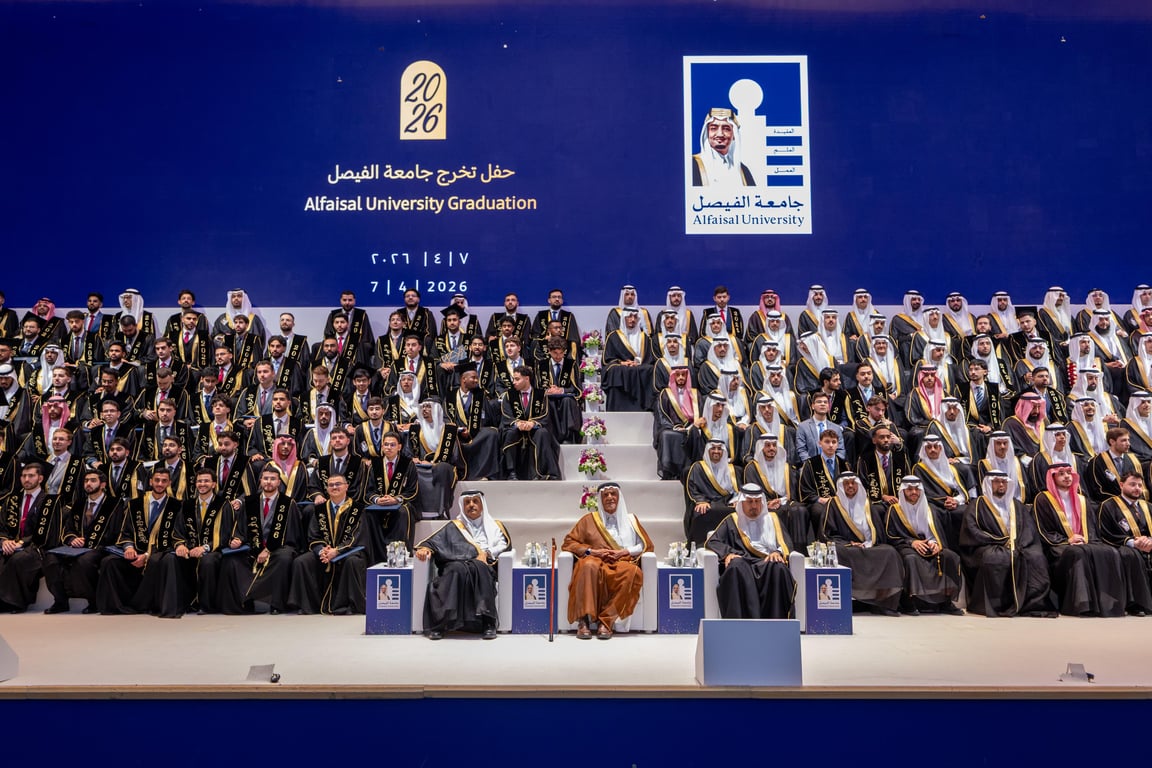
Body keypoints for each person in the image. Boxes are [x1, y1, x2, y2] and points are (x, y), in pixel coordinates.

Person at [1032, 463, 1130, 616]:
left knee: (1110, 551)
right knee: (1078, 553)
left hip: (1084, 543)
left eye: (1069, 473)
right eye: (1061, 473)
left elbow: (1091, 528)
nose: (1067, 476)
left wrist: (1086, 540)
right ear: (1053, 477)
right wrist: (1068, 540)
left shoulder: (1082, 500)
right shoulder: (1043, 499)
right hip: (1057, 546)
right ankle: (1082, 604)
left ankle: (1110, 605)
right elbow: (1044, 530)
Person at [960, 470, 1058, 617]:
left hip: (1017, 545)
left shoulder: (1017, 505)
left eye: (1004, 482)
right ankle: (999, 604)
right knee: (995, 558)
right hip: (987, 545)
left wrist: (1018, 544)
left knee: (1036, 557)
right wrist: (1000, 541)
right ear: (988, 484)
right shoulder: (977, 505)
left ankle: (1032, 604)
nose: (1001, 485)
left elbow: (1028, 529)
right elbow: (972, 530)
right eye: (997, 482)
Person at [562, 483, 654, 639]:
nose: (610, 498)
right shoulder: (588, 520)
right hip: (595, 560)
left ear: (619, 497)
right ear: (600, 499)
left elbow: (644, 545)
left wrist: (624, 551)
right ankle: (583, 620)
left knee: (633, 573)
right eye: (606, 495)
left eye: (613, 494)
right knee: (587, 565)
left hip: (621, 561)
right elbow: (569, 542)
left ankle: (606, 621)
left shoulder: (631, 520)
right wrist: (592, 551)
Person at [414, 490, 510, 640]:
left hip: (482, 564)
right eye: (467, 502)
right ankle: (440, 625)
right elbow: (433, 542)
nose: (471, 505)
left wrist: (487, 553)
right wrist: (425, 549)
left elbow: (503, 545)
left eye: (475, 501)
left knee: (480, 567)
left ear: (482, 505)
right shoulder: (455, 526)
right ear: (462, 506)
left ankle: (488, 623)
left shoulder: (495, 526)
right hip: (456, 565)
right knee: (455, 570)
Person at [95, 466, 188, 617]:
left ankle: (148, 604)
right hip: (136, 550)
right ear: (150, 481)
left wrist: (146, 555)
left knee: (157, 561)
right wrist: (129, 547)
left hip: (160, 550)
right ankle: (116, 606)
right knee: (109, 562)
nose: (160, 484)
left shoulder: (176, 506)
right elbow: (126, 531)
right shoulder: (135, 504)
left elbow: (177, 534)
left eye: (164, 481)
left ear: (169, 483)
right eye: (157, 480)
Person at [705, 484, 796, 619]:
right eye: (750, 502)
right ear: (742, 502)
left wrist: (778, 552)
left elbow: (786, 543)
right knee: (735, 566)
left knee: (779, 568)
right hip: (743, 563)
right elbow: (713, 541)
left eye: (757, 501)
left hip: (767, 563)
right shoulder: (732, 520)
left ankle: (778, 623)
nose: (754, 506)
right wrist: (728, 553)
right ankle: (738, 624)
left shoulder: (773, 519)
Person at [819, 472, 904, 615]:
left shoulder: (866, 503)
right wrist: (849, 543)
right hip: (846, 546)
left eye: (853, 483)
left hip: (867, 545)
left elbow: (877, 529)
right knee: (838, 552)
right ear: (841, 486)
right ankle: (845, 602)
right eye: (846, 483)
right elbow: (826, 534)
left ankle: (883, 603)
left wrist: (868, 542)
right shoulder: (833, 504)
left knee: (890, 552)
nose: (850, 486)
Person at [41, 468, 121, 614]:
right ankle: (60, 601)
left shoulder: (114, 504)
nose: (88, 484)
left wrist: (87, 541)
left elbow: (114, 531)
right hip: (76, 547)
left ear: (103, 484)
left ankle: (93, 601)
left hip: (100, 546)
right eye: (86, 481)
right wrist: (72, 539)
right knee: (50, 558)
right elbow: (68, 528)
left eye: (93, 480)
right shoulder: (79, 503)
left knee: (84, 561)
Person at [224, 465, 300, 615]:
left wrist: (268, 549)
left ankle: (276, 604)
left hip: (279, 548)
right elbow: (241, 528)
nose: (268, 482)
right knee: (231, 560)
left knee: (284, 558)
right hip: (253, 547)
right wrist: (237, 539)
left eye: (273, 479)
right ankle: (244, 604)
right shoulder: (250, 502)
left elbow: (292, 534)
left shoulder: (288, 503)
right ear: (260, 481)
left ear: (279, 482)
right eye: (265, 478)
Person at [288, 473, 367, 615]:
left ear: (346, 487)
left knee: (353, 562)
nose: (334, 487)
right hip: (325, 553)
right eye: (331, 485)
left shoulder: (357, 509)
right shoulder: (319, 509)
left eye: (338, 484)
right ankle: (309, 605)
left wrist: (337, 551)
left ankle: (350, 605)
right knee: (301, 561)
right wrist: (322, 551)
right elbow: (313, 536)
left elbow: (357, 538)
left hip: (348, 552)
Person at [884, 477, 964, 614]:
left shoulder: (931, 509)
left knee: (950, 557)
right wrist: (912, 542)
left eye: (917, 489)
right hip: (906, 546)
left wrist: (936, 543)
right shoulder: (894, 510)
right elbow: (890, 535)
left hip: (929, 545)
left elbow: (937, 532)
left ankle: (945, 601)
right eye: (909, 489)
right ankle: (909, 602)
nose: (914, 492)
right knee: (911, 559)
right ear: (903, 491)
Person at [1095, 471, 1152, 615]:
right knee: (1130, 554)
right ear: (1121, 485)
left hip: (1149, 545)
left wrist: (1149, 541)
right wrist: (1133, 542)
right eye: (1132, 484)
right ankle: (1136, 604)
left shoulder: (1148, 507)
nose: (1137, 488)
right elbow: (1105, 533)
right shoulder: (1108, 506)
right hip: (1123, 546)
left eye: (1139, 485)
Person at [0, 462, 53, 612]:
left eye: (31, 476)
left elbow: (46, 529)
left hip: (36, 546)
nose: (26, 479)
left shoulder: (49, 501)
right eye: (23, 476)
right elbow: (2, 525)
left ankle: (14, 603)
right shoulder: (12, 500)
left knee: (19, 560)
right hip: (11, 544)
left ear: (40, 478)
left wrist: (22, 542)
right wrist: (4, 540)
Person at [744, 433, 810, 549]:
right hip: (763, 504)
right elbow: (751, 493)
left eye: (774, 445)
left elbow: (792, 492)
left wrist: (781, 500)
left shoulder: (787, 467)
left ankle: (799, 550)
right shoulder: (752, 468)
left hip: (785, 501)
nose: (772, 448)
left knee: (800, 510)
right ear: (761, 448)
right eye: (768, 445)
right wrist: (767, 503)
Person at [498, 366, 561, 481]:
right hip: (516, 429)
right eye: (513, 379)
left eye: (517, 379)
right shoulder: (509, 395)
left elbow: (545, 414)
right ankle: (511, 472)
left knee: (542, 433)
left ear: (527, 379)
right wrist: (517, 423)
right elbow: (506, 415)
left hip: (535, 429)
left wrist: (533, 424)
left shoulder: (541, 395)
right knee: (510, 433)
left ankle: (539, 473)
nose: (514, 382)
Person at [684, 439, 739, 546]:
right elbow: (692, 487)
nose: (716, 451)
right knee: (701, 512)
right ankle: (700, 546)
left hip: (727, 502)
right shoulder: (698, 467)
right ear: (707, 450)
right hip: (707, 502)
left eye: (719, 449)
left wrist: (737, 500)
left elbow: (738, 489)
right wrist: (701, 501)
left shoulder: (732, 469)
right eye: (713, 448)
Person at [691, 107, 754, 186]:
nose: (720, 134)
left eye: (726, 129)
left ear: (734, 135)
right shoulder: (693, 165)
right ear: (707, 133)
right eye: (714, 128)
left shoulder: (743, 171)